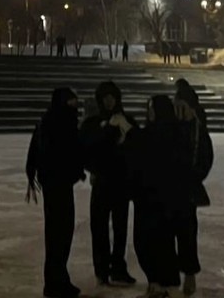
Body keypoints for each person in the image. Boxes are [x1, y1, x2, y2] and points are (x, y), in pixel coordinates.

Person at [127, 95, 203, 297]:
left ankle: (164, 281)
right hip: (169, 196)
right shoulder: (178, 133)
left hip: (162, 197)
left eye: (152, 109)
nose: (150, 113)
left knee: (161, 240)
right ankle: (171, 279)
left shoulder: (155, 135)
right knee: (174, 239)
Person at [25, 87, 85, 298]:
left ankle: (57, 279)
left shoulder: (50, 121)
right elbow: (65, 151)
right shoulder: (56, 124)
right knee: (59, 233)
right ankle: (55, 281)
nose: (74, 108)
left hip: (56, 185)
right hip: (57, 185)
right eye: (71, 103)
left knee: (58, 234)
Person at [79, 81, 138, 286]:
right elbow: (85, 150)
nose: (109, 100)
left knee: (120, 229)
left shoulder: (126, 120)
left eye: (112, 96)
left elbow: (137, 148)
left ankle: (118, 268)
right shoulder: (92, 124)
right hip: (102, 182)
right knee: (100, 228)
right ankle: (102, 269)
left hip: (121, 183)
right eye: (105, 97)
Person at [171, 80, 214, 295]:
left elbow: (205, 159)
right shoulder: (168, 125)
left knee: (187, 235)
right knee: (168, 233)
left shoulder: (197, 130)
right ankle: (170, 275)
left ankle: (188, 274)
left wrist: (193, 177)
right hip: (169, 189)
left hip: (186, 189)